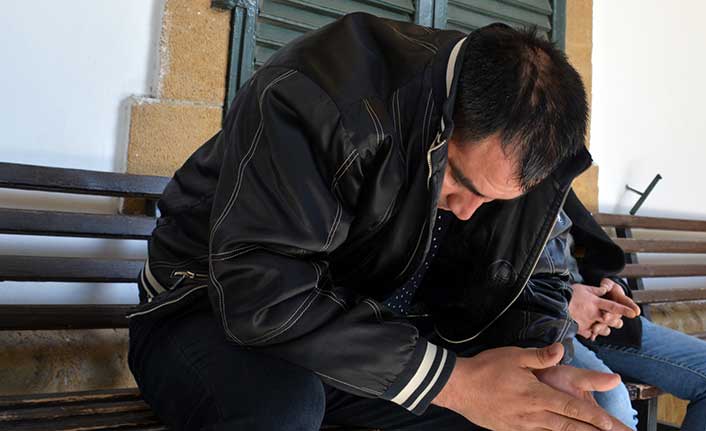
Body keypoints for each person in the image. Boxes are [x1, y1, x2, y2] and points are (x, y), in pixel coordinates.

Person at [126, 13, 629, 430]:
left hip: (363, 330)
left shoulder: (524, 149)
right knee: (283, 408)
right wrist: (454, 382)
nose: (466, 210)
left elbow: (537, 279)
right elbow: (262, 294)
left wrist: (538, 363)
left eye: (492, 201)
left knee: (524, 416)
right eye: (458, 183)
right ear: (445, 120)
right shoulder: (321, 94)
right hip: (205, 307)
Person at [525, 192, 706, 430]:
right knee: (611, 400)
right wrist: (563, 300)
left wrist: (611, 286)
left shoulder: (555, 180)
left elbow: (585, 249)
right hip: (541, 323)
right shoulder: (497, 193)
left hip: (604, 321)